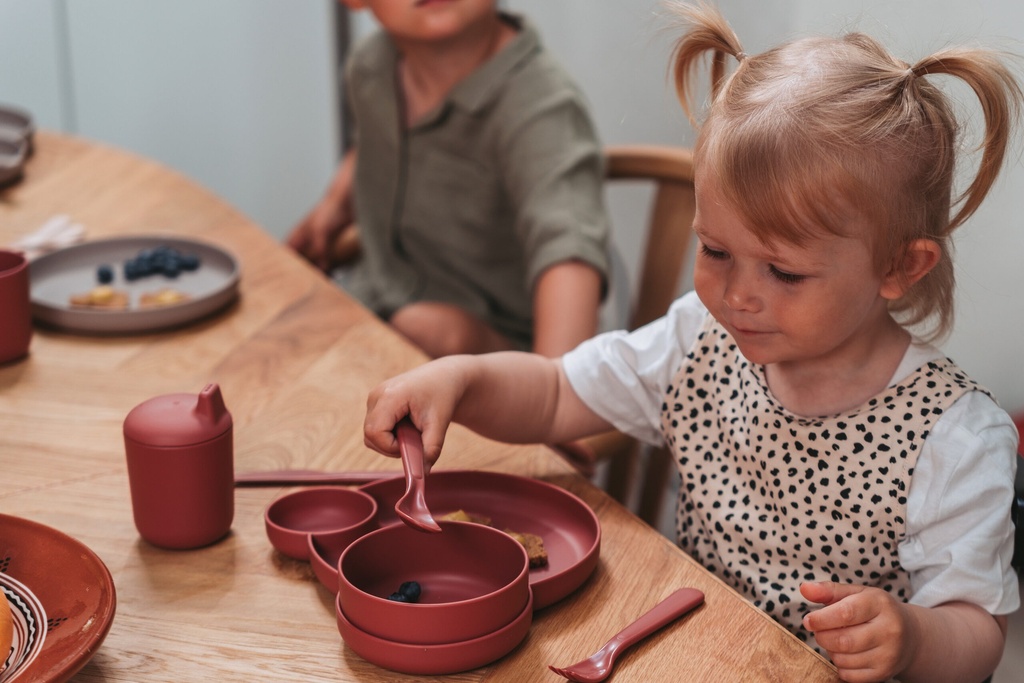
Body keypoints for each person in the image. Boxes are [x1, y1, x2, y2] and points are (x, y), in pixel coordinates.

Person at [363, 4, 1022, 681]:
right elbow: (558, 392)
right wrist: (462, 380)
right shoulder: (699, 339)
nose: (738, 294)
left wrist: (913, 638)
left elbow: (977, 631)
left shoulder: (955, 438)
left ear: (899, 268)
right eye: (714, 250)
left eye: (784, 271)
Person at [287, 0, 610, 359]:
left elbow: (568, 255)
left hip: (503, 356)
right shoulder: (370, 67)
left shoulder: (541, 110)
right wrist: (335, 202)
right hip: (375, 305)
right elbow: (376, 139)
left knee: (423, 328)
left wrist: (555, 394)